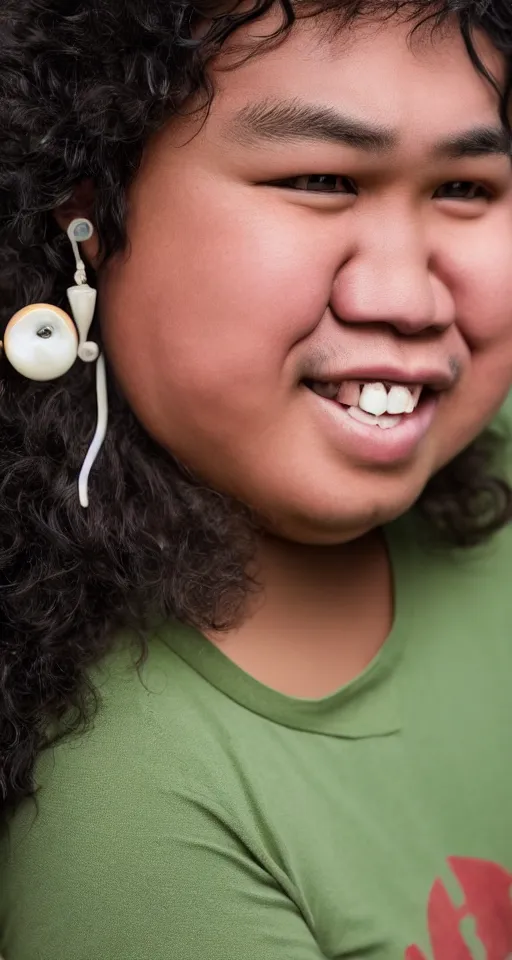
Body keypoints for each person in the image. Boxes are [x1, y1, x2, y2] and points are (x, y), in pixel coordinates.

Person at [1, 0, 512, 956]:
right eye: (320, 179)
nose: (404, 297)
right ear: (90, 218)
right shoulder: (133, 826)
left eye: (466, 188)